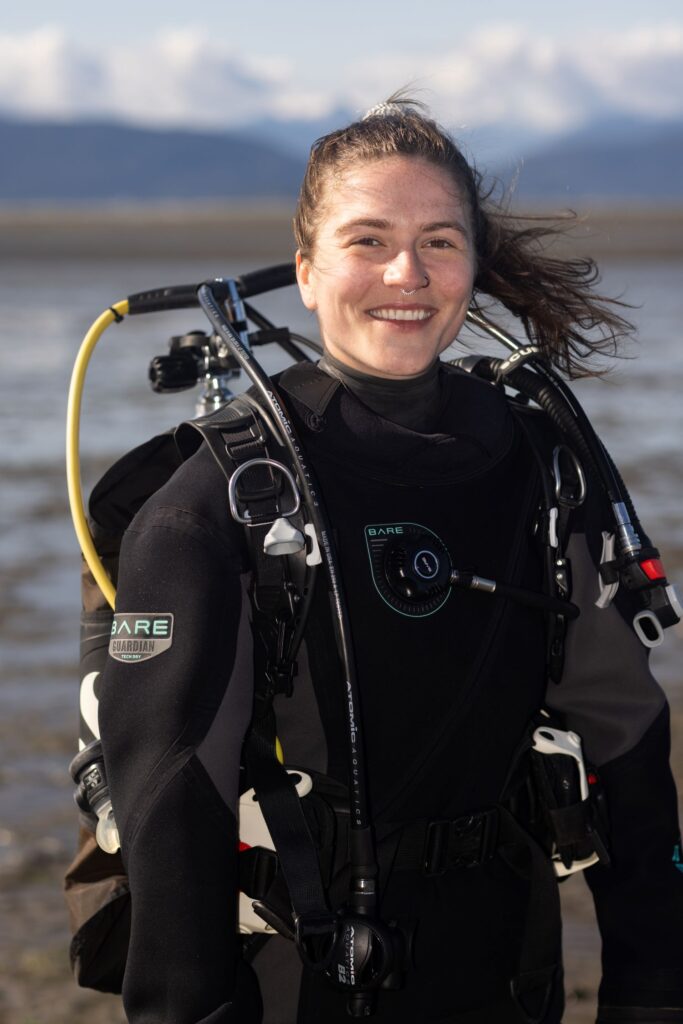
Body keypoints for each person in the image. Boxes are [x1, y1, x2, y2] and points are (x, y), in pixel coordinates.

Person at [95, 97, 683, 1023]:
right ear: (307, 269)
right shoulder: (216, 504)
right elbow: (167, 796)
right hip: (305, 979)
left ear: (473, 267)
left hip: (506, 968)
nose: (406, 273)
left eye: (440, 241)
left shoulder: (540, 464)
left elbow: (628, 744)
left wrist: (652, 990)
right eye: (367, 239)